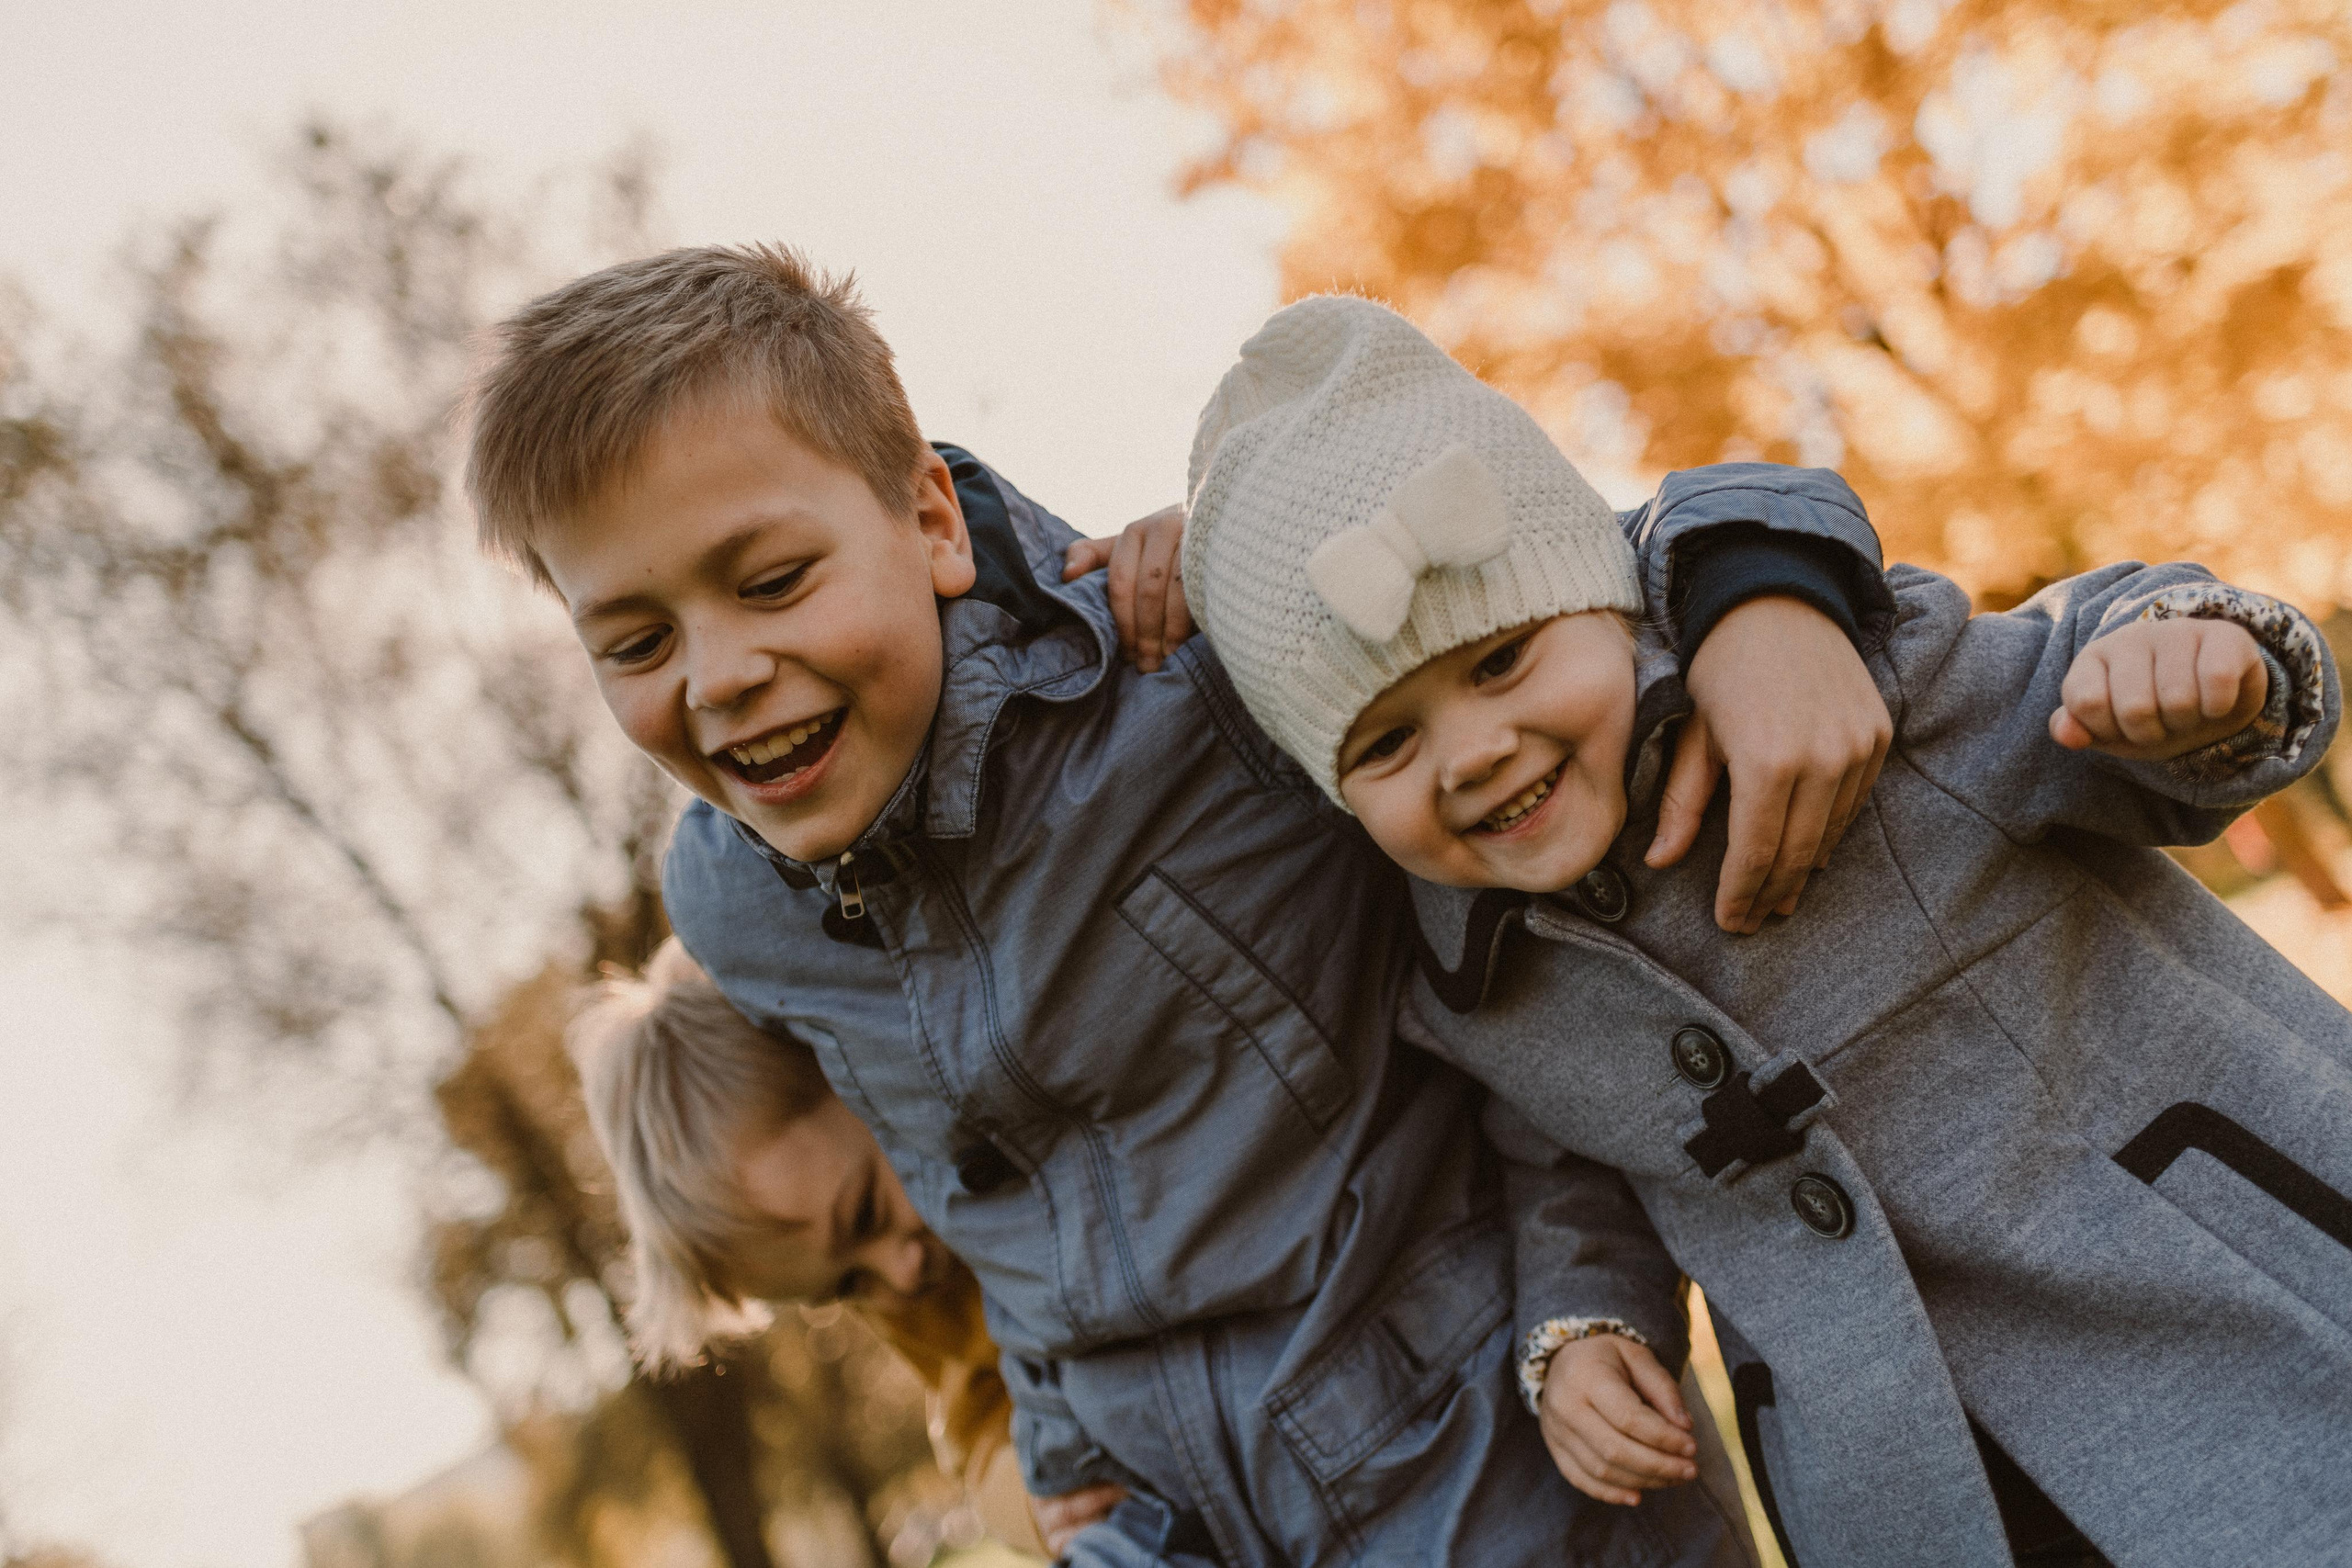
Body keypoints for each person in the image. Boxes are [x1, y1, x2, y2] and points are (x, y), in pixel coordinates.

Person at [463, 243, 1895, 1566]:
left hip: (1475, 1475)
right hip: (1155, 1523)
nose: (714, 675)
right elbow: (907, 1198)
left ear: (929, 517)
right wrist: (1030, 1445)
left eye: (771, 580)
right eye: (637, 639)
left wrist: (1766, 592)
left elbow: (1553, 579)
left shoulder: (1200, 690)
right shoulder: (734, 909)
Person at [1175, 294, 2352, 1568]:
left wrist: (2193, 662)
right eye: (1388, 743)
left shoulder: (1838, 690)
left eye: (1505, 659)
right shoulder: (1474, 978)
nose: (1470, 754)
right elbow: (1573, 1161)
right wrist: (1583, 1324)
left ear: (1612, 607)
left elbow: (2080, 657)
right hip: (1912, 1482)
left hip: (2224, 1331)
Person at [567, 935, 1127, 1558]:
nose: (901, 1273)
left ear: (862, 1074)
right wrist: (1032, 1503)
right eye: (847, 1287)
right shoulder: (917, 1293)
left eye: (866, 1212)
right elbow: (975, 1430)